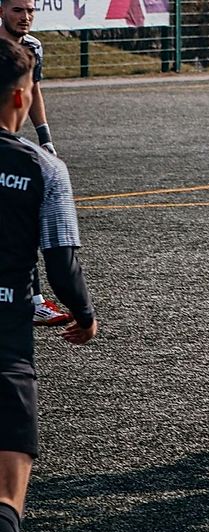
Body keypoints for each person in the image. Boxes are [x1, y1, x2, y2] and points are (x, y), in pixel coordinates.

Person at [0, 38, 98, 532]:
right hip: (6, 333)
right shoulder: (43, 168)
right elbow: (61, 265)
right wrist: (83, 316)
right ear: (22, 98)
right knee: (13, 448)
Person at [0, 0, 72, 327]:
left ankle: (35, 300)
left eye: (30, 10)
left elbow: (34, 92)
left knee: (19, 220)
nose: (26, 17)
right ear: (1, 11)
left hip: (8, 143)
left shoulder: (32, 47)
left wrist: (45, 138)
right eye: (17, 10)